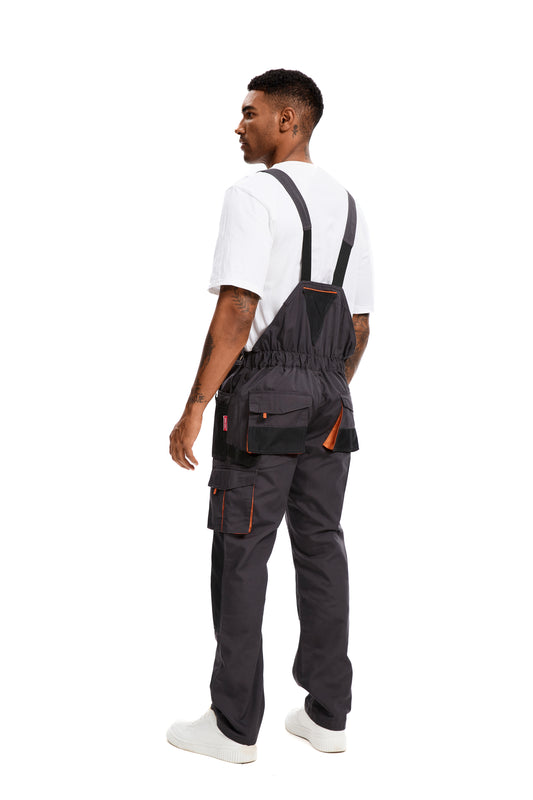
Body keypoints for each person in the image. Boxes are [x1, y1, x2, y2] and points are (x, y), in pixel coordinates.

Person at [167, 69, 373, 764]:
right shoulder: (348, 206)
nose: (239, 125)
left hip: (262, 394)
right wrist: (322, 392)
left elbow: (237, 308)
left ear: (288, 120)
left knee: (241, 548)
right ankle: (327, 713)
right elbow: (360, 326)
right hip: (331, 396)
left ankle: (232, 727)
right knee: (321, 545)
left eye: (250, 112)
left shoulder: (251, 194)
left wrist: (195, 406)